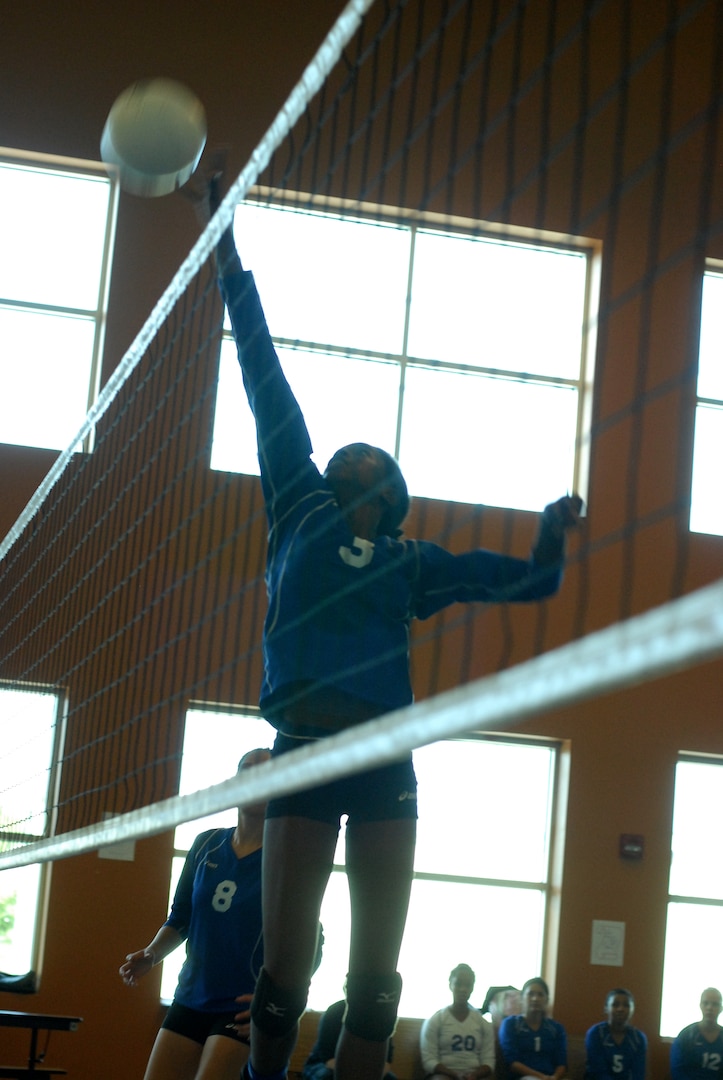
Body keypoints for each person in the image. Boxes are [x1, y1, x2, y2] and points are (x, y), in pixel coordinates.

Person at [199, 169, 582, 1080]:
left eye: (376, 462)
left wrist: (548, 534)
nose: (360, 460)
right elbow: (261, 372)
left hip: (382, 761)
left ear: (393, 491)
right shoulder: (296, 502)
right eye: (351, 456)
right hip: (301, 747)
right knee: (284, 980)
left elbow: (523, 583)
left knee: (374, 985)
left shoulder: (414, 563)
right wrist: (228, 255)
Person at [119, 747, 270, 1080]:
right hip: (191, 997)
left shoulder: (284, 857)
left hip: (241, 1005)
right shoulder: (206, 845)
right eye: (246, 769)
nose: (255, 776)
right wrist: (152, 954)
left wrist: (277, 1000)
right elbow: (181, 917)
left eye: (267, 770)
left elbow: (306, 940)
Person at [420, 963, 495, 1080]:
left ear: (473, 988)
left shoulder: (482, 1022)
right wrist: (455, 1075)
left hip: (474, 1076)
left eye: (468, 985)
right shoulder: (436, 1020)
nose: (463, 989)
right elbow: (429, 1061)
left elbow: (489, 1061)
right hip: (444, 1075)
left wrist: (474, 1075)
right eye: (458, 983)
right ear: (450, 985)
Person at [303, 999, 396, 1080]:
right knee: (328, 1076)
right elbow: (328, 1058)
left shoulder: (380, 1016)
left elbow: (386, 1063)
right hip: (322, 1064)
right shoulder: (336, 1010)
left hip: (366, 1068)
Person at [499, 977, 568, 1080]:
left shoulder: (556, 1028)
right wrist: (542, 1077)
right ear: (522, 999)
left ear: (547, 1000)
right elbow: (512, 1062)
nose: (535, 998)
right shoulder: (511, 1024)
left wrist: (555, 1078)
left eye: (540, 995)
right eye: (530, 994)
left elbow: (562, 1062)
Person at [584, 988, 646, 1080]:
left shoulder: (638, 1038)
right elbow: (597, 1071)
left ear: (633, 1009)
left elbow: (638, 1073)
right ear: (606, 1008)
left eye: (626, 1005)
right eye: (615, 1005)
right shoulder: (596, 1034)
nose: (620, 1009)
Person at [670, 987, 723, 1079]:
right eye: (705, 1003)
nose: (709, 1008)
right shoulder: (686, 1036)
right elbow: (677, 1071)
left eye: (715, 1004)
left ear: (721, 1008)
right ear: (700, 1006)